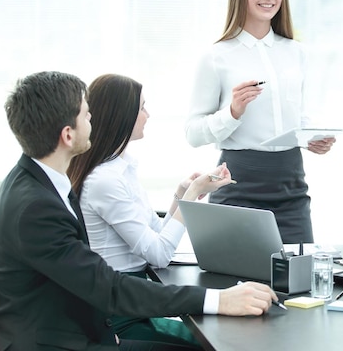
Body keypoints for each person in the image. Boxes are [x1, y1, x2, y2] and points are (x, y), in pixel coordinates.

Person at [0, 71, 279, 351]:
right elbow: (108, 286)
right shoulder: (36, 207)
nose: (93, 120)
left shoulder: (37, 180)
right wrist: (219, 301)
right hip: (55, 342)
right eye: (87, 115)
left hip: (74, 328)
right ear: (67, 135)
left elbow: (80, 278)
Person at [67, 74, 233, 347]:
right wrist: (190, 198)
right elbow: (159, 254)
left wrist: (181, 194)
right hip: (120, 312)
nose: (148, 115)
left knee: (218, 336)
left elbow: (155, 238)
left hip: (133, 299)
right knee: (212, 342)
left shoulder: (121, 169)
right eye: (142, 107)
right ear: (124, 115)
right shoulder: (105, 181)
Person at [185, 0, 335, 243]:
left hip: (291, 186)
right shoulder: (217, 56)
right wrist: (233, 111)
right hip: (238, 185)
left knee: (294, 280)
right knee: (235, 282)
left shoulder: (297, 53)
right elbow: (192, 133)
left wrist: (311, 137)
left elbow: (298, 117)